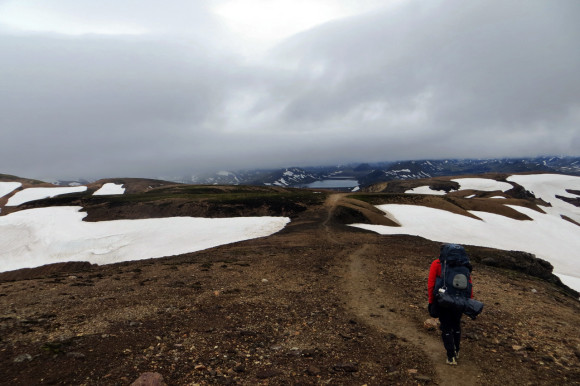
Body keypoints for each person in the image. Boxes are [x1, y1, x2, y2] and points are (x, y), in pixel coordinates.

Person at [427, 244, 473, 365]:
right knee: (456, 325)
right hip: (460, 300)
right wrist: (468, 300)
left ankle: (450, 356)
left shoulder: (437, 264)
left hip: (444, 300)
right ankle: (457, 350)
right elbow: (469, 283)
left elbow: (431, 284)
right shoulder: (463, 264)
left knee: (446, 327)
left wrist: (431, 301)